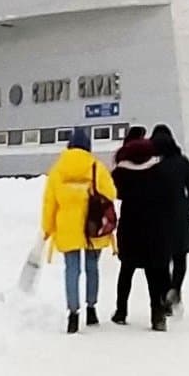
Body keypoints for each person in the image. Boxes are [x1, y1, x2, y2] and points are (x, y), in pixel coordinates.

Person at [41, 129, 117, 334]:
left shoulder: (58, 170)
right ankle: (91, 309)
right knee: (92, 267)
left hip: (67, 227)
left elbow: (50, 202)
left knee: (72, 270)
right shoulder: (96, 167)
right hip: (93, 226)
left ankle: (73, 315)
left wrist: (47, 228)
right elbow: (111, 193)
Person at [109, 129, 182, 331]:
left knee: (126, 271)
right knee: (154, 275)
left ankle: (121, 311)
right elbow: (169, 199)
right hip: (154, 229)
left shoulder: (121, 174)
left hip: (131, 228)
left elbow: (113, 191)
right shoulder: (160, 172)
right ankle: (157, 316)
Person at [150, 123, 189, 315]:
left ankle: (165, 296)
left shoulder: (154, 166)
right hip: (179, 216)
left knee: (162, 259)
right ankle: (176, 288)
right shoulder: (183, 162)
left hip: (160, 218)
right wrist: (187, 206)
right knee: (180, 257)